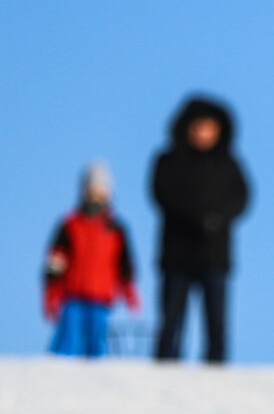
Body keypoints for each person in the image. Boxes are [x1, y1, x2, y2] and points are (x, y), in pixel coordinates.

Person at [151, 95, 249, 363]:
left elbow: (242, 198)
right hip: (177, 254)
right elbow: (161, 194)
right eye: (197, 127)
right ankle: (163, 368)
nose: (202, 133)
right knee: (170, 320)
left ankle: (216, 371)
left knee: (216, 323)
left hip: (214, 255)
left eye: (208, 127)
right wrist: (195, 217)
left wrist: (216, 219)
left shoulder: (229, 165)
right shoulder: (168, 160)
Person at [43, 161, 140, 357]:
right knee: (67, 341)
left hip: (101, 298)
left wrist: (129, 289)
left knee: (96, 344)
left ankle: (96, 382)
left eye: (100, 191)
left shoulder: (116, 229)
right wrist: (52, 290)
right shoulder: (70, 225)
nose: (95, 196)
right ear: (83, 191)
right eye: (92, 190)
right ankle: (55, 377)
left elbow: (125, 263)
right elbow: (55, 260)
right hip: (73, 295)